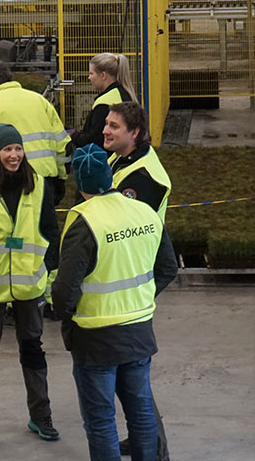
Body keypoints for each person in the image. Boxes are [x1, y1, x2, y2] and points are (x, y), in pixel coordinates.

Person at [51, 144, 177, 461]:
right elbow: (167, 268)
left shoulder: (84, 222)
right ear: (111, 177)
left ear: (79, 185)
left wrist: (65, 315)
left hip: (95, 339)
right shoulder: (144, 212)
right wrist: (142, 297)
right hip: (139, 333)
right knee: (141, 412)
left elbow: (65, 288)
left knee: (101, 420)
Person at [0, 125, 60, 447]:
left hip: (29, 286)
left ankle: (40, 415)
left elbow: (50, 231)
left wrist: (49, 272)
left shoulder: (40, 186)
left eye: (18, 149)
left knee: (32, 350)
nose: (14, 155)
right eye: (7, 149)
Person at [102, 102, 172, 461]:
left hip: (132, 285)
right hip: (127, 281)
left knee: (135, 381)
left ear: (135, 133)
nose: (105, 131)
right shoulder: (124, 160)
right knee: (129, 377)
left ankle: (156, 450)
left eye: (114, 126)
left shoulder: (145, 178)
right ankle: (143, 438)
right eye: (106, 124)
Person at [0, 59, 71, 203]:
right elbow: (63, 145)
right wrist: (60, 178)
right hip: (45, 179)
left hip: (6, 181)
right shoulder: (40, 101)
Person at [72, 53, 138, 149]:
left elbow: (94, 140)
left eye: (91, 73)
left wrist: (73, 135)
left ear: (103, 75)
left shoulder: (104, 103)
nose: (89, 77)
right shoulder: (124, 93)